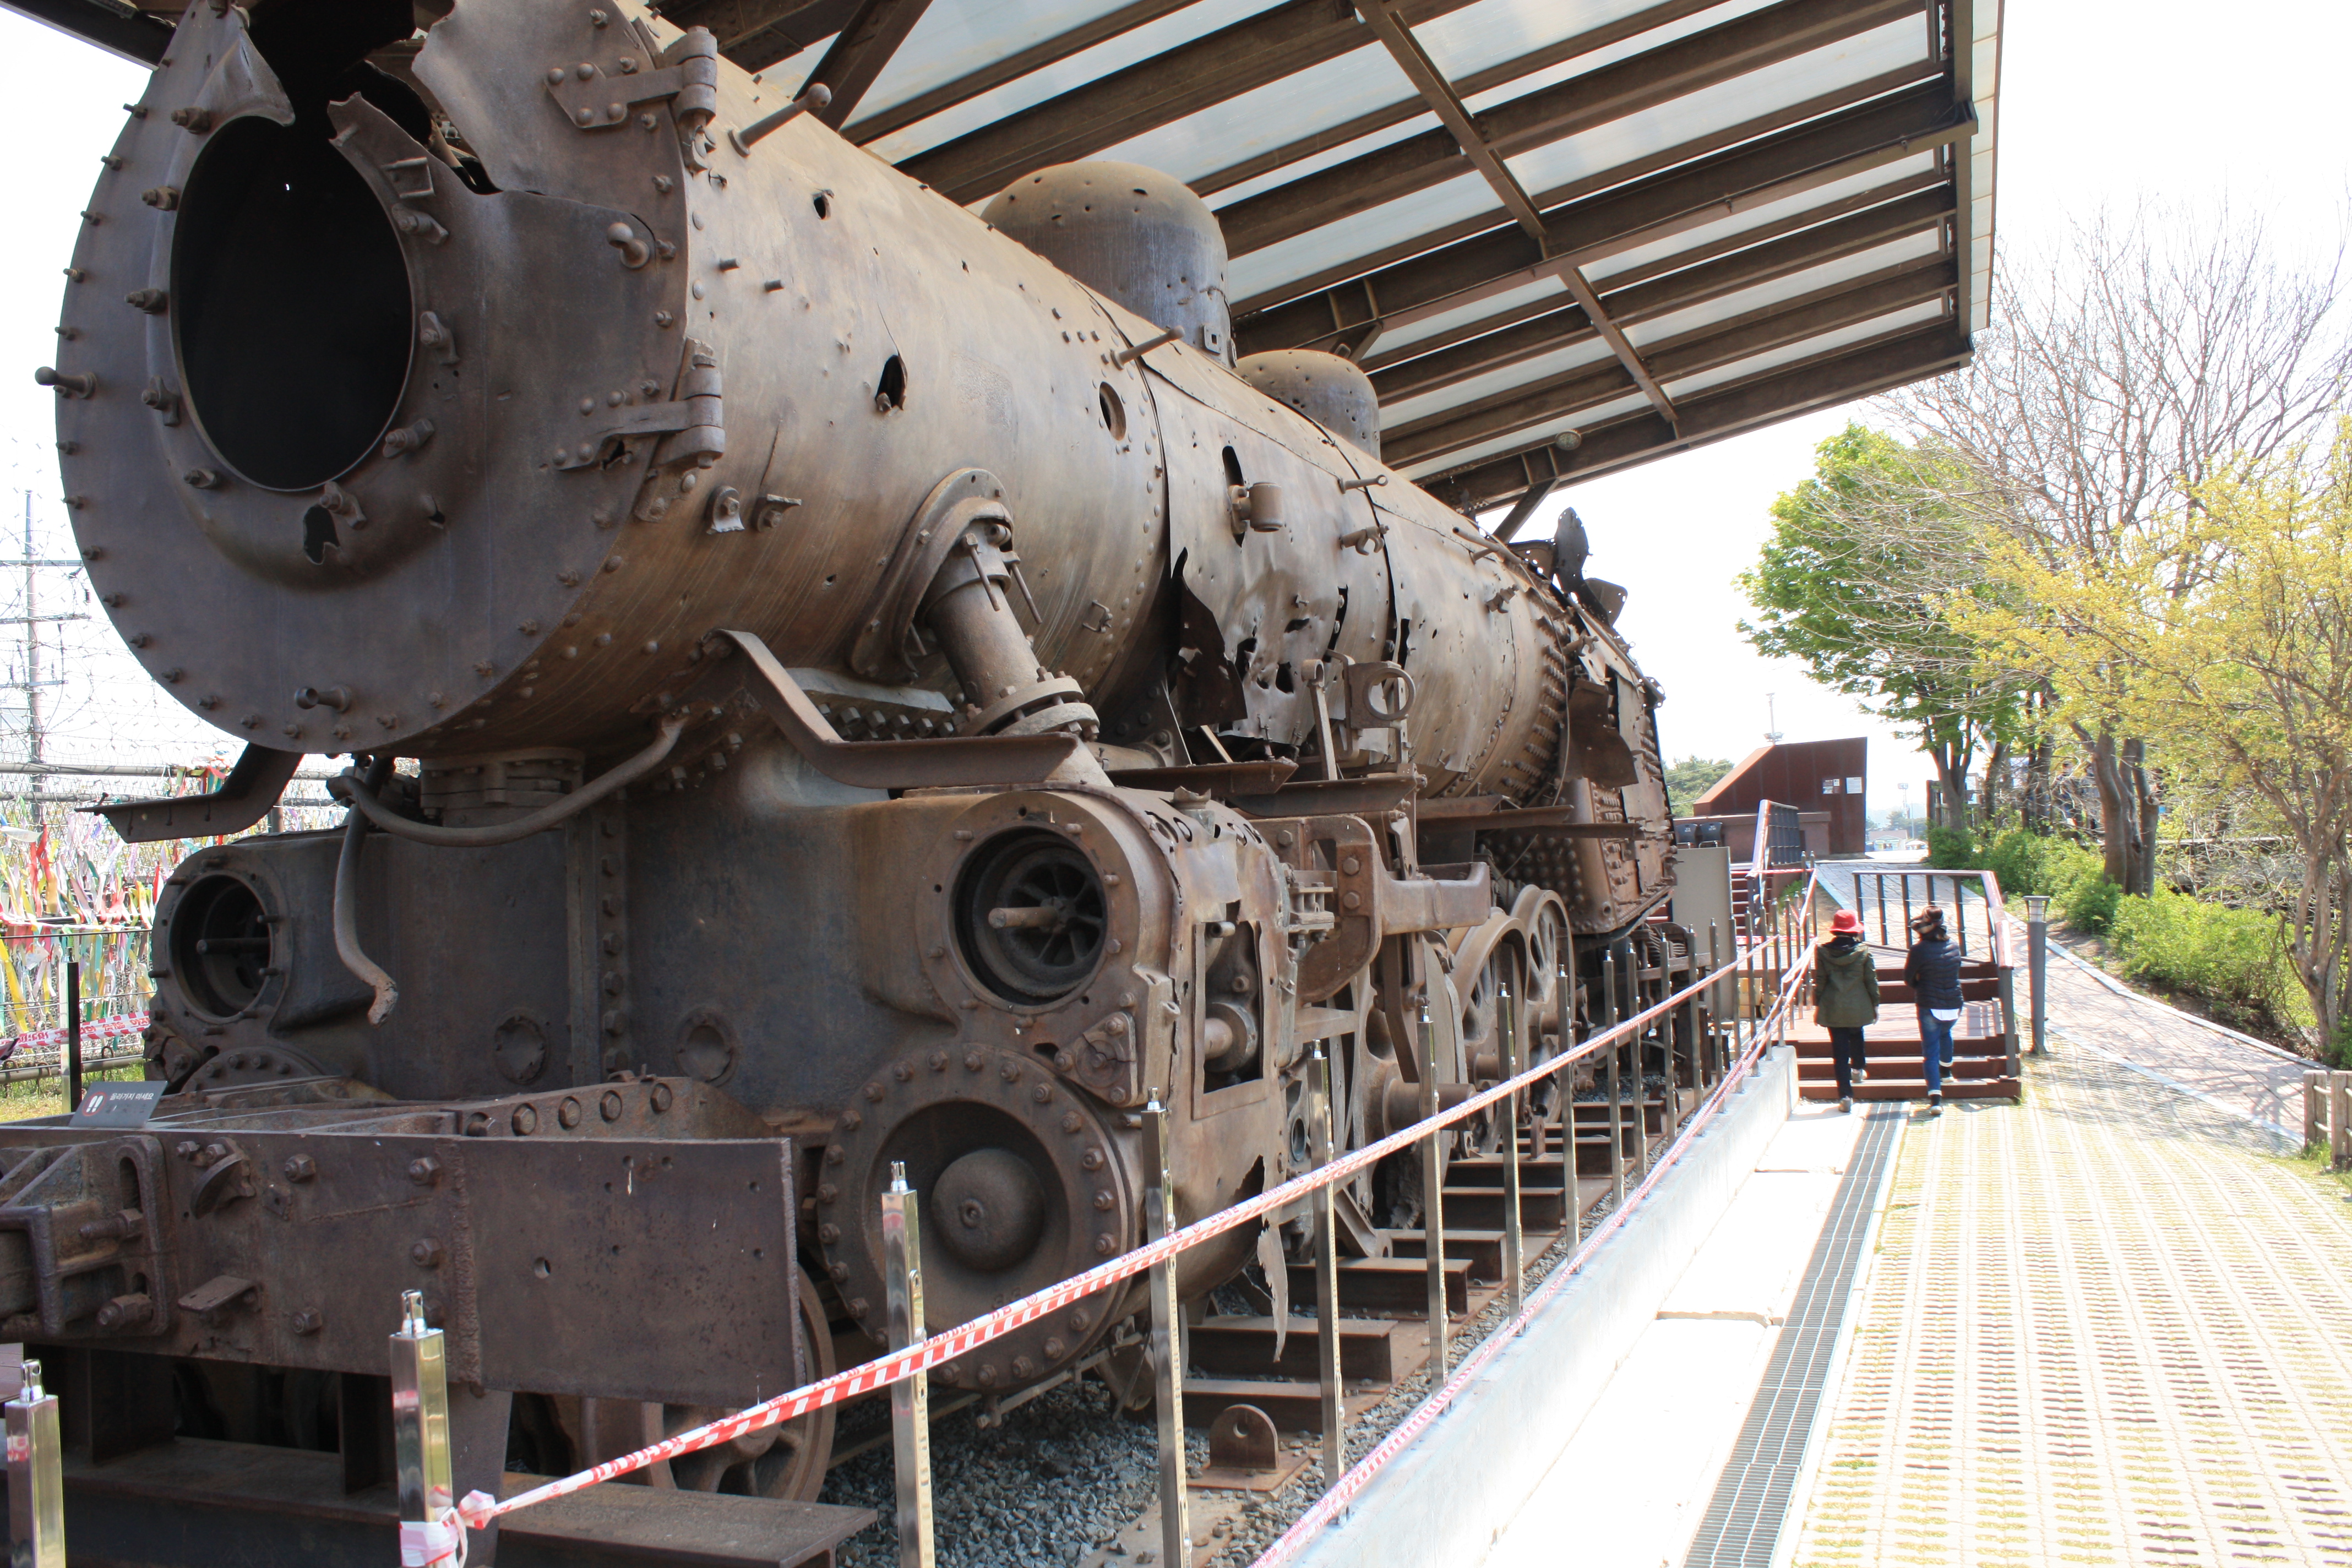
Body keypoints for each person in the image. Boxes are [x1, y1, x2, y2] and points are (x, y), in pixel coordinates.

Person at [1813, 909, 1879, 1113]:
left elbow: (1821, 981)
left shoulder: (1823, 952)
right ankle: (1858, 1069)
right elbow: (1871, 980)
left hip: (1833, 1006)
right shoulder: (1864, 952)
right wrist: (1875, 1003)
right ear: (1854, 931)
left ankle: (1845, 1095)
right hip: (1858, 1004)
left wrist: (1817, 1005)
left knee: (1839, 1053)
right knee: (1857, 1034)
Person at [1903, 906, 1963, 1115]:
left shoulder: (1918, 950)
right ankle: (1946, 1072)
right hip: (1954, 1003)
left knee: (1930, 1052)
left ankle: (1935, 1099)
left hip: (1930, 1004)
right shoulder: (1955, 946)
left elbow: (1908, 978)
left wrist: (1920, 984)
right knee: (1946, 1034)